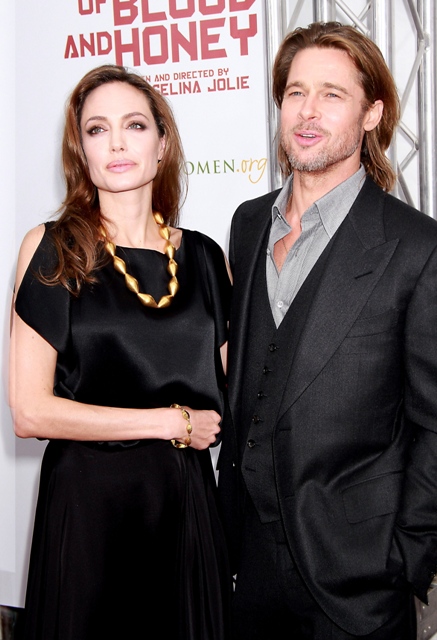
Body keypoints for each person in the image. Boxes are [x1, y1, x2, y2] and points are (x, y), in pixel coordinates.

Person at [217, 21, 437, 640]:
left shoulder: (416, 247)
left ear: (372, 114)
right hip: (246, 565)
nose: (307, 112)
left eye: (332, 94)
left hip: (358, 578)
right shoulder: (248, 223)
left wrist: (406, 558)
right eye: (295, 92)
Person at [9, 64, 232, 640]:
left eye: (134, 125)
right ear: (80, 151)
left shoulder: (206, 259)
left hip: (184, 508)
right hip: (88, 509)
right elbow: (30, 411)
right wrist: (169, 422)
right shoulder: (53, 249)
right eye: (96, 129)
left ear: (162, 144)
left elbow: (239, 395)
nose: (116, 143)